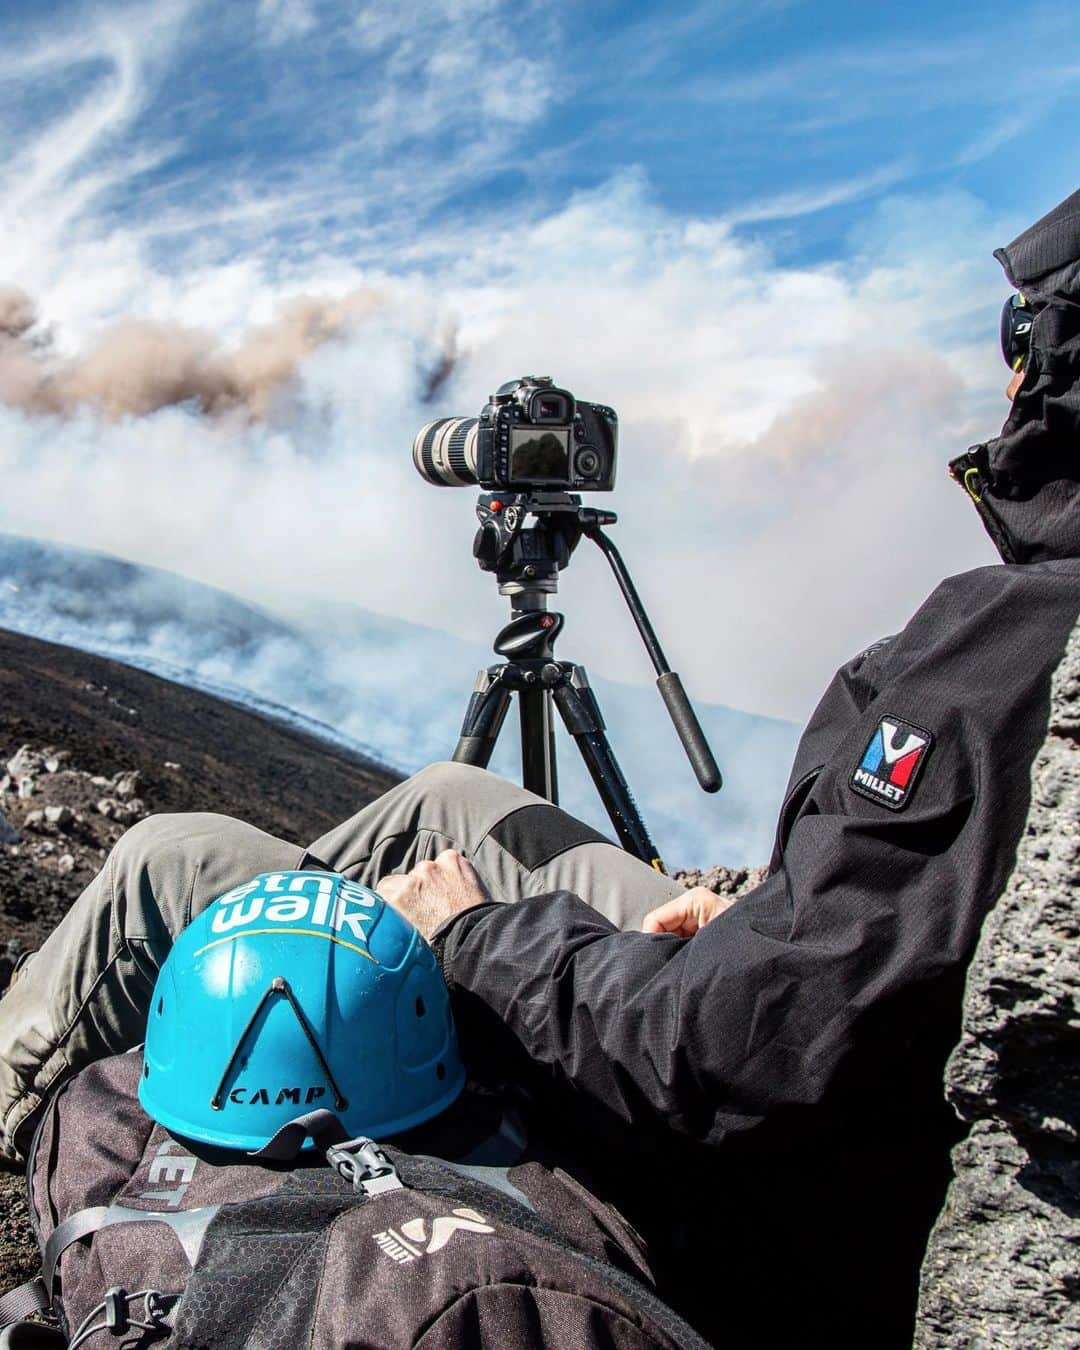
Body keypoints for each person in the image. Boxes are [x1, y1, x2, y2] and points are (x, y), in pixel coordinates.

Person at [3, 187, 1080, 1348]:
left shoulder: (1012, 649)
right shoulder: (1027, 632)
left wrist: (470, 935)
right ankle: (346, 954)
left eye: (1021, 339)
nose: (1007, 373)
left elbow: (752, 1049)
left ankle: (120, 1117)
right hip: (784, 1040)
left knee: (168, 859)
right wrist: (765, 912)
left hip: (738, 1176)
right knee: (450, 802)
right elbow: (871, 954)